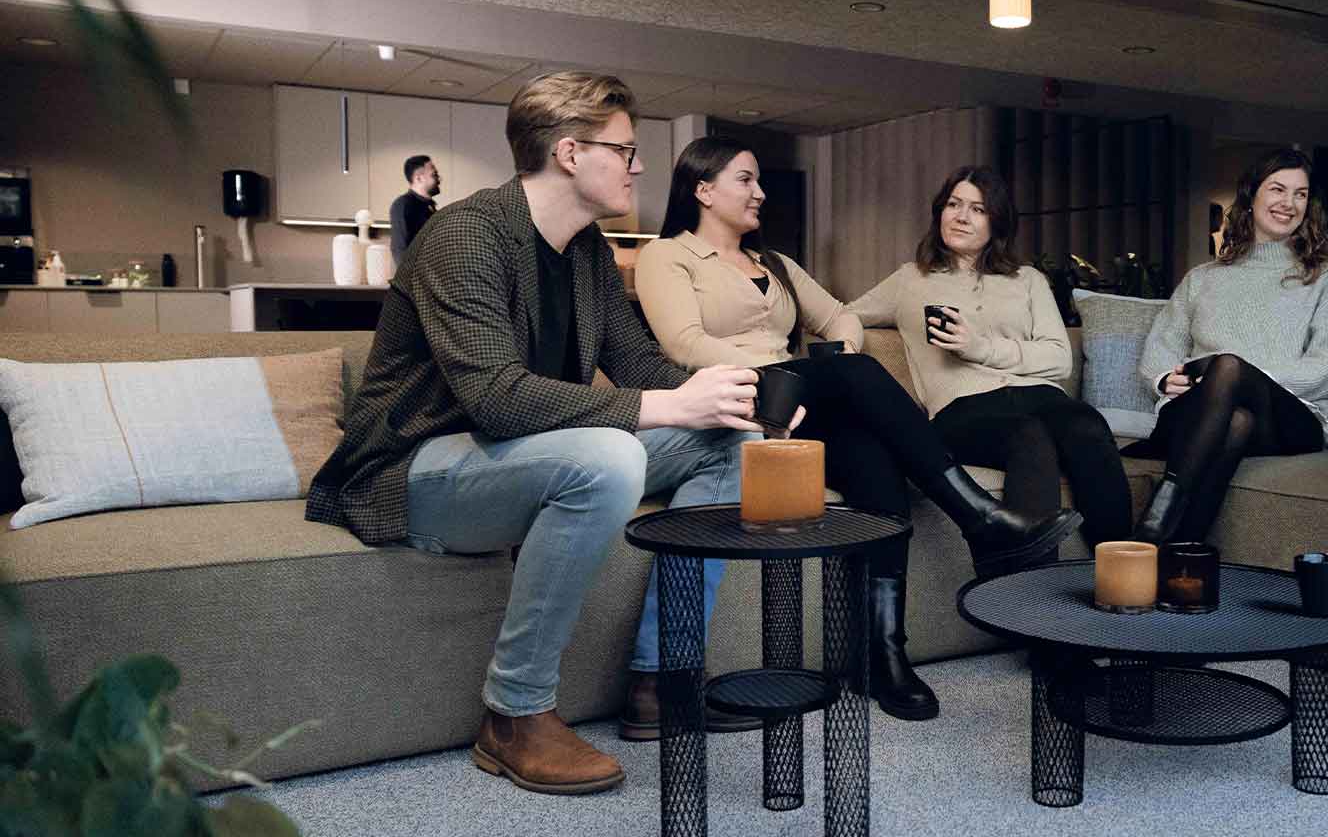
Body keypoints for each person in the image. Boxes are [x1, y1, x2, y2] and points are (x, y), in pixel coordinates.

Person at [306, 72, 772, 796]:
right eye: (624, 150)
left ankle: (663, 678)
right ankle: (514, 715)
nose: (638, 165)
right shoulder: (465, 236)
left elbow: (638, 363)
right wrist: (664, 407)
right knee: (610, 457)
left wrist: (740, 395)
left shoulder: (586, 251)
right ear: (568, 152)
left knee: (732, 444)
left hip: (517, 458)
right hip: (415, 469)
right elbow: (495, 398)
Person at [635, 137, 1082, 722]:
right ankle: (978, 517)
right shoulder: (667, 256)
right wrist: (793, 375)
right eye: (745, 180)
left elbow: (840, 313)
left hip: (797, 406)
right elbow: (684, 343)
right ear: (702, 189)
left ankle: (880, 656)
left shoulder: (776, 264)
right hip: (734, 396)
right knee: (859, 376)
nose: (760, 192)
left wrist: (837, 354)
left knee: (877, 472)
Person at [848, 165, 1131, 549]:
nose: (961, 217)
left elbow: (1059, 358)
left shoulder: (1028, 280)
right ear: (940, 212)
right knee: (1028, 436)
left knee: (1087, 425)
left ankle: (1123, 570)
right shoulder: (910, 278)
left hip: (1040, 396)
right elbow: (843, 314)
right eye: (954, 204)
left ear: (997, 223)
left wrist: (980, 348)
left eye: (978, 209)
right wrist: (844, 341)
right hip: (963, 409)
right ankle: (1023, 591)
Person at [1131, 149, 1328, 545]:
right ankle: (1178, 554)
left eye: (1300, 194)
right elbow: (1161, 347)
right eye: (1277, 189)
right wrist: (1162, 380)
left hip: (1290, 420)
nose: (1288, 204)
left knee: (1229, 369)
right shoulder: (1203, 278)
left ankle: (1159, 511)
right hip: (1209, 414)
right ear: (1251, 196)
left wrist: (1245, 378)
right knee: (1237, 421)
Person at [388, 154, 440, 259]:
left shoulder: (429, 207)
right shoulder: (403, 205)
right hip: (417, 275)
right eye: (434, 175)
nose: (439, 179)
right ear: (419, 178)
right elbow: (400, 250)